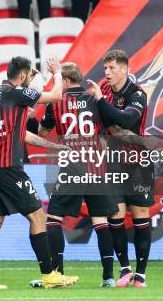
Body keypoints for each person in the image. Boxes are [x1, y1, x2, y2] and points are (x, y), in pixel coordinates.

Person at [0, 56, 78, 290]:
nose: (30, 79)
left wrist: (53, 146)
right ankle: (49, 275)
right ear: (21, 76)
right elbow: (56, 96)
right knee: (38, 216)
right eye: (29, 75)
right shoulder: (17, 93)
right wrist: (57, 73)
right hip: (10, 168)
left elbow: (21, 134)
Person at [38, 62, 118, 287]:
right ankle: (108, 278)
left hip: (71, 166)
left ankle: (57, 273)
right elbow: (111, 127)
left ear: (64, 81)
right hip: (96, 166)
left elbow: (43, 132)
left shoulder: (56, 103)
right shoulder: (95, 100)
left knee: (53, 218)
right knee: (101, 221)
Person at [87, 50, 150, 288]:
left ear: (125, 68)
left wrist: (102, 103)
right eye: (105, 69)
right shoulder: (101, 89)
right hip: (111, 160)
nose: (107, 73)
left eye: (112, 68)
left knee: (140, 215)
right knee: (116, 215)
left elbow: (125, 120)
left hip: (138, 161)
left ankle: (141, 274)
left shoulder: (137, 93)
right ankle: (125, 268)